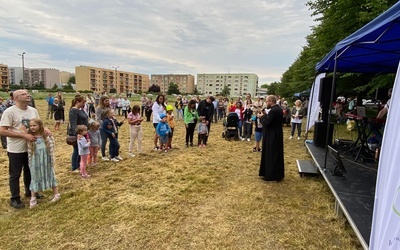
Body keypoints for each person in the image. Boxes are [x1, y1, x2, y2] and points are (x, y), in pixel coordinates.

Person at [0, 89, 42, 209]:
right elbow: (2, 130)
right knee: (15, 174)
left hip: (31, 147)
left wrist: (44, 131)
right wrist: (23, 135)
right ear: (16, 98)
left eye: (27, 93)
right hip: (16, 148)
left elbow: (39, 124)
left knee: (30, 170)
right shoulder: (9, 112)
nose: (27, 95)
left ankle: (30, 191)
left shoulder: (33, 110)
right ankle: (15, 198)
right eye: (23, 94)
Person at [27, 118, 60, 208]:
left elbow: (52, 145)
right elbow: (29, 150)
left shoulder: (46, 135)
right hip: (36, 159)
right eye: (30, 125)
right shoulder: (30, 137)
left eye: (34, 125)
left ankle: (56, 194)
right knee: (34, 176)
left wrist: (51, 158)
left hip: (46, 158)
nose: (32, 127)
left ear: (40, 126)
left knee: (51, 173)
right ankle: (33, 197)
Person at [258, 95, 284, 182]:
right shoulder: (278, 109)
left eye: (266, 101)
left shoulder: (273, 111)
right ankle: (277, 174)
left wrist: (261, 117)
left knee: (271, 154)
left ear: (270, 101)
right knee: (276, 154)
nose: (266, 103)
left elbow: (267, 123)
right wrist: (265, 115)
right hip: (277, 134)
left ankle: (271, 176)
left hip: (272, 135)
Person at [68, 96, 89, 172]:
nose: (83, 104)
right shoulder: (73, 111)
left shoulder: (81, 110)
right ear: (77, 102)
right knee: (77, 150)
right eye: (82, 103)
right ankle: (74, 167)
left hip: (83, 133)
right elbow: (73, 124)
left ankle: (79, 164)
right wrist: (77, 134)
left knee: (81, 150)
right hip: (78, 134)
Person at [96, 95, 111, 161]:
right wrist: (105, 124)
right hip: (102, 127)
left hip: (109, 125)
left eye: (108, 101)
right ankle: (103, 155)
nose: (107, 102)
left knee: (111, 140)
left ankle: (111, 153)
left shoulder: (108, 107)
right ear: (102, 101)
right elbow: (98, 118)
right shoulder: (99, 108)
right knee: (104, 141)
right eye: (106, 101)